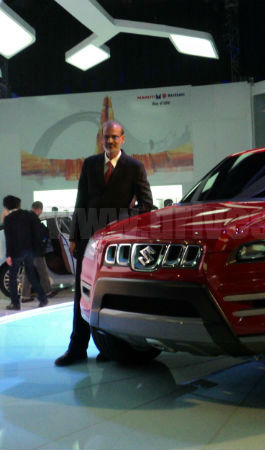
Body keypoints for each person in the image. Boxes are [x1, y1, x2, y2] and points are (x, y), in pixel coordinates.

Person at [55, 120, 153, 366]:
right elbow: (81, 201)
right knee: (82, 293)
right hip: (88, 239)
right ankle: (77, 348)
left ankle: (109, 348)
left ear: (122, 138)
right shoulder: (89, 164)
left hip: (116, 243)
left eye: (114, 137)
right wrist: (74, 236)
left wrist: (123, 221)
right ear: (101, 139)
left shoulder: (135, 167)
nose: (110, 141)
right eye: (106, 137)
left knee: (111, 294)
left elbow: (147, 205)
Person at [2, 195, 48, 310]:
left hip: (16, 252)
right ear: (18, 205)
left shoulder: (8, 219)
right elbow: (37, 231)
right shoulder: (28, 215)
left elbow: (9, 238)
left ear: (6, 207)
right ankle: (43, 298)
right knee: (31, 274)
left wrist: (8, 255)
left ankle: (15, 303)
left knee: (13, 277)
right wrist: (35, 247)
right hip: (29, 250)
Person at [20, 201, 54, 303]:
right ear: (39, 209)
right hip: (36, 251)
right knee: (43, 272)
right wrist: (44, 240)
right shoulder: (34, 219)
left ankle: (24, 296)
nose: (41, 212)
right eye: (41, 210)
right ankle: (47, 292)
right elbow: (39, 235)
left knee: (27, 274)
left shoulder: (25, 218)